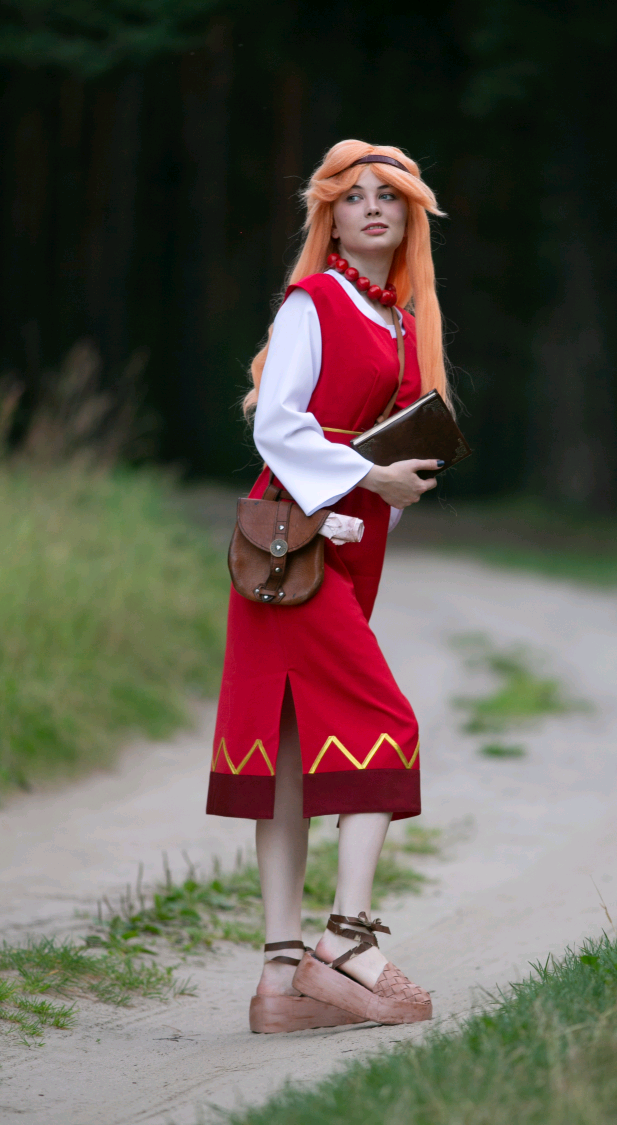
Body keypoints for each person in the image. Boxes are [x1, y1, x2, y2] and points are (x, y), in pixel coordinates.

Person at [206, 139, 450, 1032]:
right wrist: (370, 477)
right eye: (355, 196)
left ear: (410, 216)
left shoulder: (400, 321)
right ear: (331, 217)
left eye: (389, 195)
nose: (373, 207)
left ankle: (280, 979)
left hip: (345, 546)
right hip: (292, 554)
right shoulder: (314, 300)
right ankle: (346, 941)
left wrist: (391, 488)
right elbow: (278, 425)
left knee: (290, 751)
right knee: (385, 720)